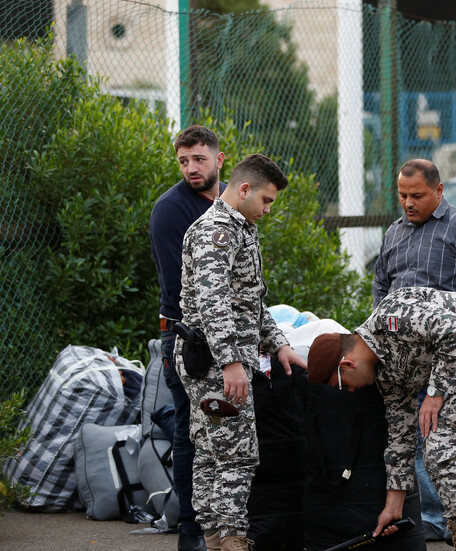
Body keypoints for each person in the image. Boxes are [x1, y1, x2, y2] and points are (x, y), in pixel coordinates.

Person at [304, 287, 456, 550]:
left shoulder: (391, 318)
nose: (350, 391)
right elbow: (400, 436)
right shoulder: (385, 376)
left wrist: (435, 393)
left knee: (445, 443)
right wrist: (393, 506)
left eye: (342, 385)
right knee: (434, 446)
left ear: (347, 365)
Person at [373, 159, 456, 542]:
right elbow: (381, 286)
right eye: (402, 195)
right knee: (421, 437)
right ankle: (438, 519)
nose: (408, 203)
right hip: (410, 360)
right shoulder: (395, 232)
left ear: (438, 190)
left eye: (416, 195)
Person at [176, 154, 307, 551]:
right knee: (236, 458)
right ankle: (231, 542)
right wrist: (232, 363)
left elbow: (249, 301)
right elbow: (214, 300)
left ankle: (216, 542)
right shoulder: (217, 232)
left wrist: (278, 344)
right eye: (266, 200)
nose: (268, 209)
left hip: (216, 361)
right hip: (216, 364)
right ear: (244, 189)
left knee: (212, 455)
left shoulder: (240, 229)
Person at [149, 125, 226, 551]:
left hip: (230, 334)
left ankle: (226, 526)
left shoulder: (235, 197)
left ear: (219, 158)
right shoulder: (170, 210)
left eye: (198, 159)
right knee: (189, 431)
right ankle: (192, 533)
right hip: (186, 337)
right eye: (183, 161)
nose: (191, 168)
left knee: (227, 428)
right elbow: (184, 288)